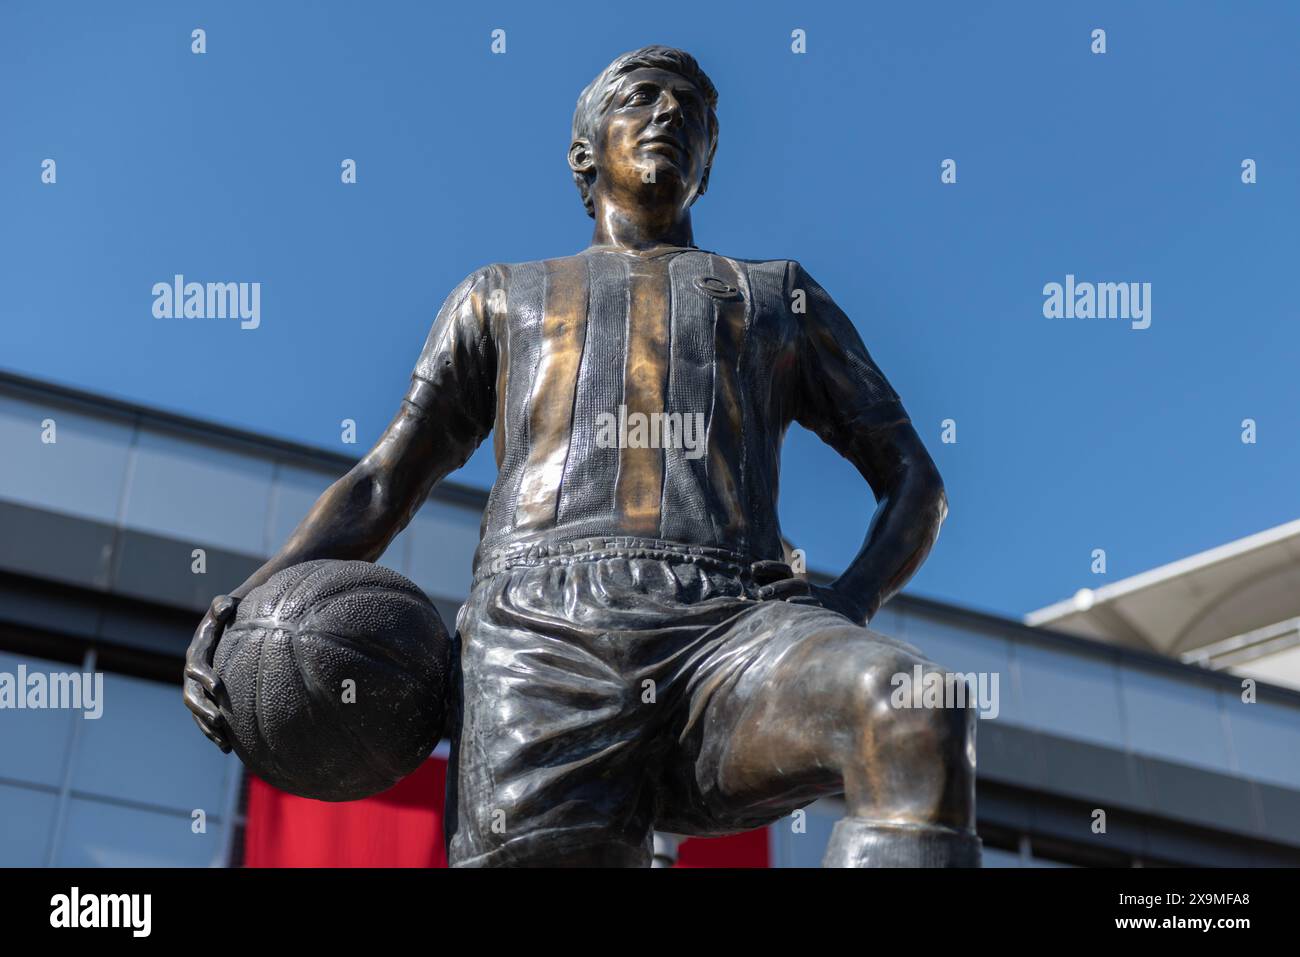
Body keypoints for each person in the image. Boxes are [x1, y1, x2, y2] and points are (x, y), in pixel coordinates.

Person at [184, 45, 979, 868]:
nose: (672, 114)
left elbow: (916, 480)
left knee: (913, 710)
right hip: (538, 639)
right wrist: (240, 607)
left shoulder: (777, 296)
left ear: (707, 164)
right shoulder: (500, 296)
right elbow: (384, 482)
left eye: (694, 113)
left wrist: (845, 603)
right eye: (643, 98)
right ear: (585, 154)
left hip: (734, 627)